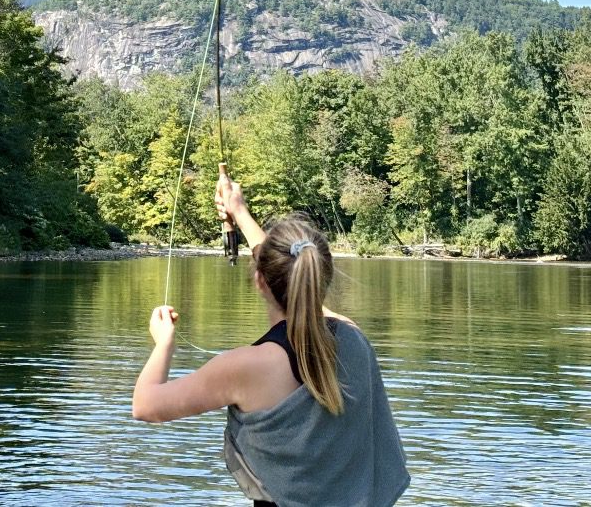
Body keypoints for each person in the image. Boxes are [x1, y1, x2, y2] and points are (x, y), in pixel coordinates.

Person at [131, 167, 409, 507]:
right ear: (321, 276)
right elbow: (293, 270)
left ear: (260, 282)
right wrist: (240, 211)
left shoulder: (246, 367)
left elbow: (146, 406)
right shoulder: (352, 337)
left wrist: (164, 343)